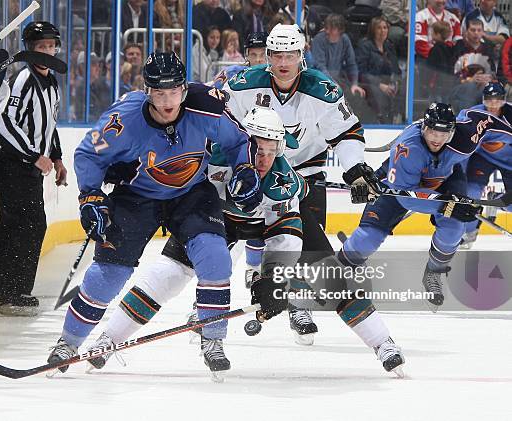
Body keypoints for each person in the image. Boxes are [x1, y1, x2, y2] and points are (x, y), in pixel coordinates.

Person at [47, 52, 261, 380]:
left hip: (191, 193)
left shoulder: (207, 105)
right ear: (147, 91)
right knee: (108, 274)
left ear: (184, 90)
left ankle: (213, 340)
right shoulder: (125, 119)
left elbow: (237, 142)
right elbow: (89, 154)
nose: (167, 101)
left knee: (216, 257)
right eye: (159, 93)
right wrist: (90, 196)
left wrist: (245, 168)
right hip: (136, 197)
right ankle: (69, 342)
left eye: (174, 91)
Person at [222, 25, 405, 370]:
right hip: (250, 178)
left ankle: (380, 340)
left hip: (301, 181)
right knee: (209, 244)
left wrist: (354, 169)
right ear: (269, 57)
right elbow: (215, 124)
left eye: (290, 55)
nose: (283, 62)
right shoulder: (244, 85)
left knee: (321, 265)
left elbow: (348, 132)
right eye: (276, 55)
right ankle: (208, 312)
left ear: (301, 56)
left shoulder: (321, 89)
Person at [81, 107, 306, 378]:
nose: (264, 160)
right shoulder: (211, 153)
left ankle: (213, 340)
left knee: (229, 273)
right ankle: (109, 339)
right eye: (258, 151)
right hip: (207, 218)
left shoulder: (284, 182)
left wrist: (275, 277)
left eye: (273, 151)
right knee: (166, 275)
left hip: (254, 226)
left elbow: (285, 234)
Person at [338, 103, 493, 312]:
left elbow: (496, 123)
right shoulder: (408, 148)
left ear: (453, 132)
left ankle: (434, 272)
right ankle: (337, 271)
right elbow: (407, 199)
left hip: (445, 178)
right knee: (368, 238)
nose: (436, 139)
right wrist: (447, 207)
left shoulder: (467, 134)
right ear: (423, 128)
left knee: (455, 229)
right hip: (398, 185)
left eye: (443, 134)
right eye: (432, 132)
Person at [0, 21, 68, 316]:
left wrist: (56, 157)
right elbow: (2, 122)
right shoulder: (23, 78)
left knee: (12, 223)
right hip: (10, 162)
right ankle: (13, 293)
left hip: (27, 164)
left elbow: (48, 125)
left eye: (51, 46)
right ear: (30, 50)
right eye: (41, 47)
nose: (47, 51)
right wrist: (32, 155)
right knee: (31, 223)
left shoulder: (51, 81)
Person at [461, 82, 512, 248]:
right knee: (471, 192)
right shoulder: (473, 114)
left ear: (504, 100)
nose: (493, 104)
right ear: (483, 100)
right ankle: (469, 233)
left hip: (510, 164)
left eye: (498, 99)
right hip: (483, 159)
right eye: (489, 99)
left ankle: (495, 202)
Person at [356, 16, 403, 123]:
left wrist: (396, 83)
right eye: (379, 28)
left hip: (388, 84)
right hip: (370, 84)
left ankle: (398, 120)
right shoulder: (365, 46)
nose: (383, 31)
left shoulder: (389, 46)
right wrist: (380, 85)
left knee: (404, 90)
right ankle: (379, 121)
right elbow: (361, 72)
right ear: (373, 30)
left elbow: (397, 70)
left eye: (385, 28)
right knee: (377, 93)